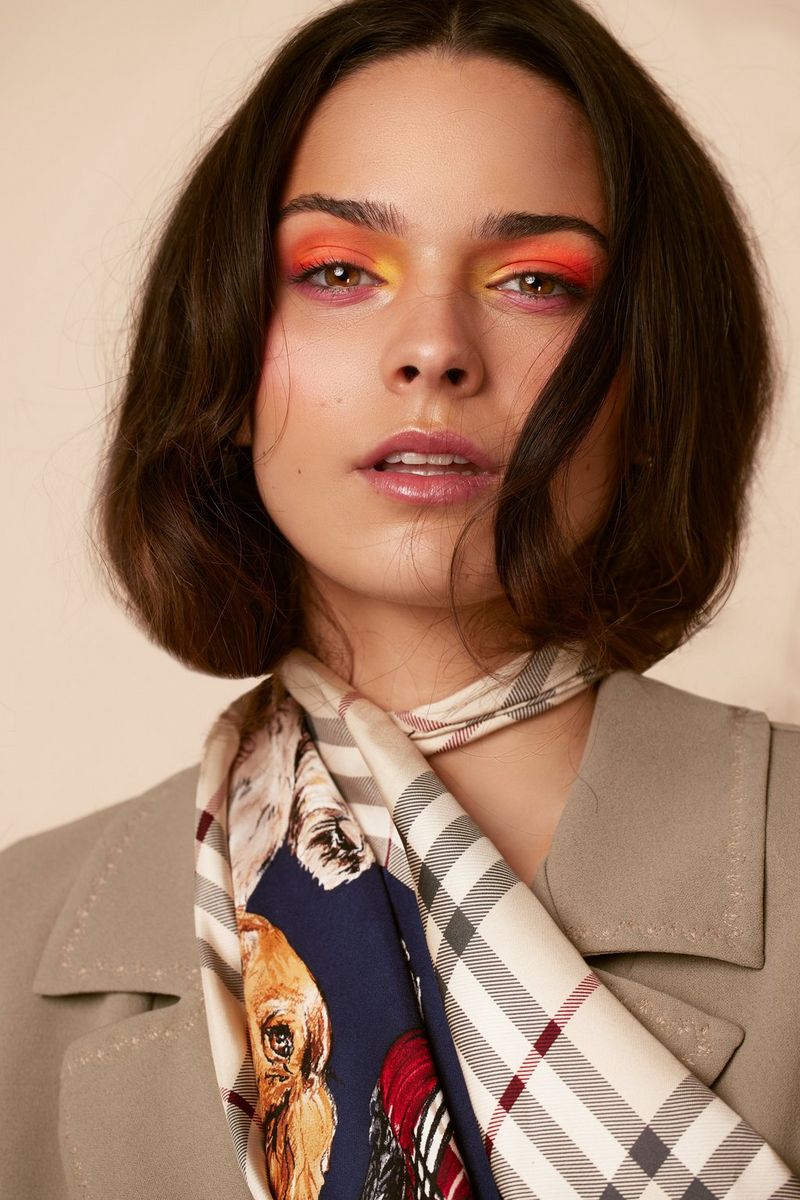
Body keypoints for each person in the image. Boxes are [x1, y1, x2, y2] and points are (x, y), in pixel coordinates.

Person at [2, 0, 798, 1196]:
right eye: (335, 271)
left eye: (534, 280)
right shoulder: (19, 934)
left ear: (651, 370)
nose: (433, 348)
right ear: (223, 346)